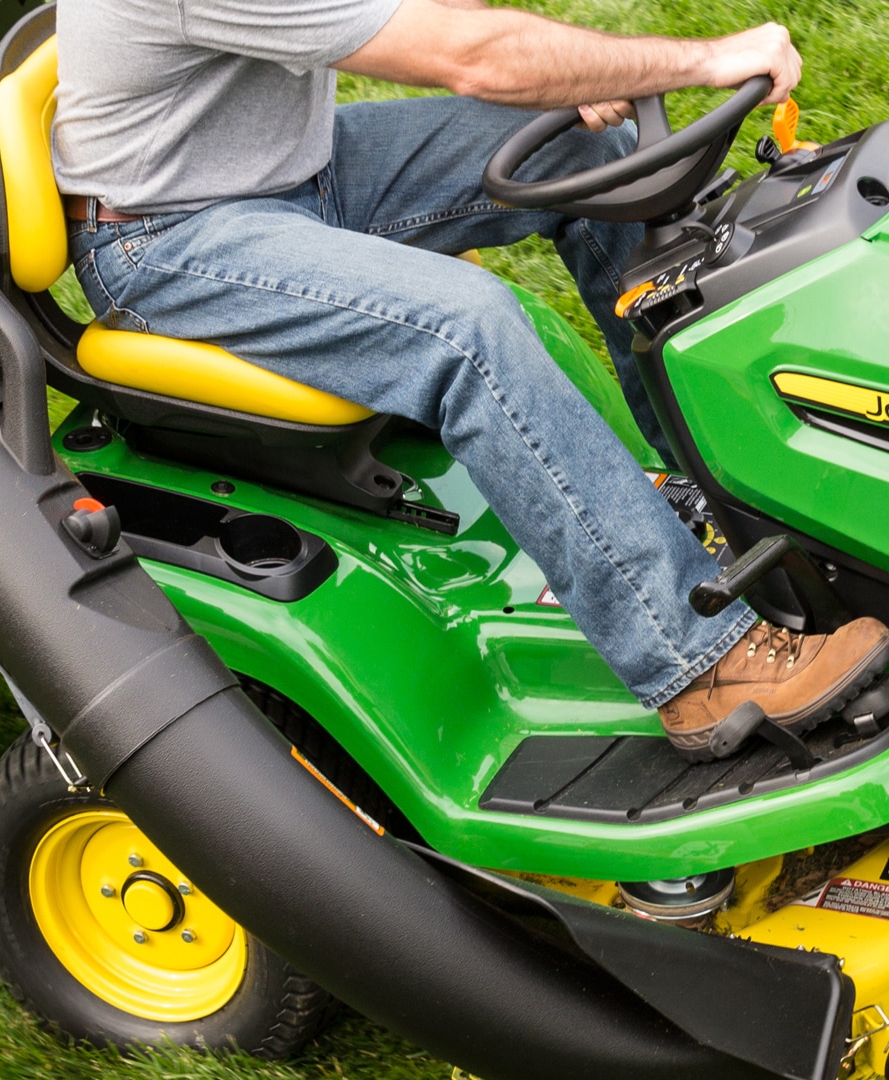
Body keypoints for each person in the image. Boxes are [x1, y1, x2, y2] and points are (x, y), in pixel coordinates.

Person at [52, 0, 889, 757]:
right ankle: (697, 662)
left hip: (291, 174)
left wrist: (583, 74)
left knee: (586, 151)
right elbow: (475, 55)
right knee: (466, 329)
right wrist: (696, 60)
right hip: (169, 239)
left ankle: (722, 495)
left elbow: (448, 11)